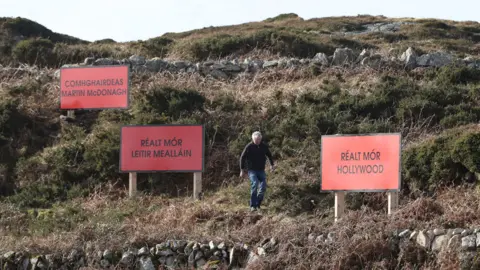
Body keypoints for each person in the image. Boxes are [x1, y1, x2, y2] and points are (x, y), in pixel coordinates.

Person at [239, 131, 275, 212]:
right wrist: (242, 170)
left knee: (263, 186)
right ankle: (252, 206)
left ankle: (258, 204)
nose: (257, 141)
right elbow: (242, 157)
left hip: (261, 170)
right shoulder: (249, 146)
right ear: (253, 139)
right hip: (252, 170)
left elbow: (269, 155)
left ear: (260, 139)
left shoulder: (264, 146)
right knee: (255, 184)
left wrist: (272, 165)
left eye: (258, 139)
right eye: (256, 140)